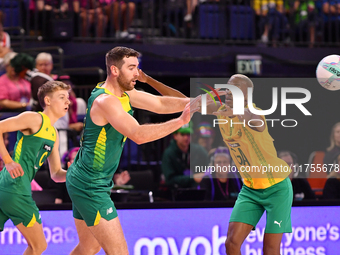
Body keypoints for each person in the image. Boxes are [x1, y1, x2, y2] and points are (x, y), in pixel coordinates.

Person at [65, 46, 201, 254]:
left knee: (89, 246)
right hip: (90, 185)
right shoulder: (106, 101)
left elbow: (161, 104)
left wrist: (204, 103)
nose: (137, 73)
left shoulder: (122, 93)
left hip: (84, 177)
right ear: (115, 70)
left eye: (137, 67)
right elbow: (137, 135)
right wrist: (181, 121)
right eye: (132, 68)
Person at [201, 74, 293, 255]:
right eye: (227, 88)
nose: (228, 92)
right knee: (231, 243)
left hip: (277, 188)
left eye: (234, 88)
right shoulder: (222, 110)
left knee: (270, 249)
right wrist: (149, 80)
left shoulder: (255, 113)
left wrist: (237, 110)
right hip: (251, 188)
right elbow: (184, 102)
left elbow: (255, 121)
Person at [0, 80, 71, 254]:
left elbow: (55, 174)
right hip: (15, 187)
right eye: (62, 97)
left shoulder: (53, 133)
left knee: (37, 246)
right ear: (47, 101)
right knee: (39, 245)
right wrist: (8, 161)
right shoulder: (34, 118)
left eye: (68, 98)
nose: (67, 102)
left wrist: (73, 174)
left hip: (8, 186)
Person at [162, 123, 209, 188]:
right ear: (175, 136)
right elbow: (170, 180)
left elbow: (208, 172)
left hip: (198, 190)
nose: (186, 138)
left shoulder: (199, 151)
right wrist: (193, 178)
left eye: (188, 134)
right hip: (176, 192)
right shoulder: (168, 153)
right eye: (182, 134)